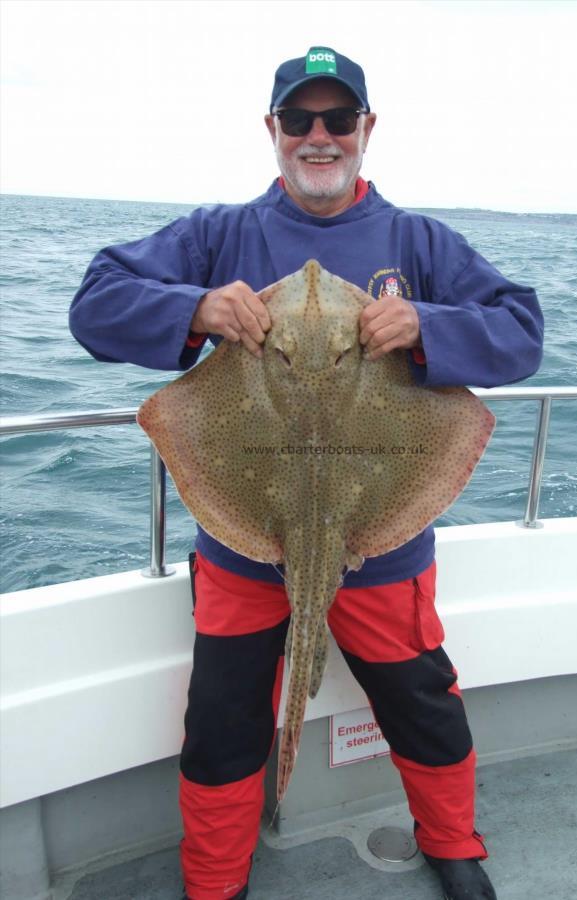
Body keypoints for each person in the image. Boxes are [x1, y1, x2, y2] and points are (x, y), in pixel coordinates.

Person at [70, 46, 543, 900]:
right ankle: (214, 881)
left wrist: (427, 325)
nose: (317, 136)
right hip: (241, 541)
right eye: (299, 120)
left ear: (367, 130)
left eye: (336, 120)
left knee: (421, 702)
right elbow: (95, 302)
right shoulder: (218, 234)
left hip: (383, 545)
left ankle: (453, 845)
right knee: (222, 721)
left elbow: (521, 328)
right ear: (273, 131)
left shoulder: (419, 241)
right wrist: (193, 307)